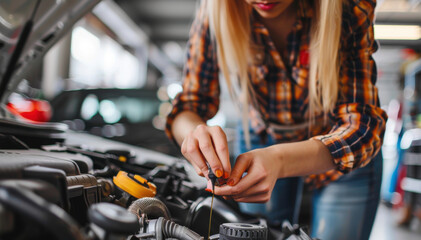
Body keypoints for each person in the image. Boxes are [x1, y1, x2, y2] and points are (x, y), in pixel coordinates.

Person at [165, 0, 387, 239]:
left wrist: (280, 160)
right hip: (261, 140)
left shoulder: (349, 7)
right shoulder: (214, 10)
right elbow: (188, 106)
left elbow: (363, 127)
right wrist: (195, 132)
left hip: (343, 152)